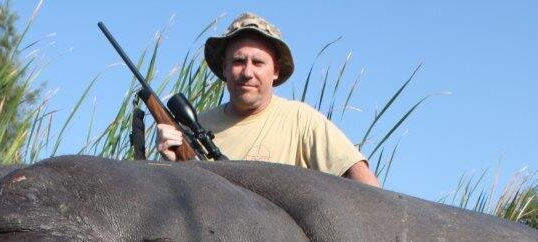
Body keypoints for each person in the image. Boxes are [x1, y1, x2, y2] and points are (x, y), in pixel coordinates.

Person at [156, 13, 381, 187]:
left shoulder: (301, 120)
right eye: (238, 61)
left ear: (276, 70)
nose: (247, 72)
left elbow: (366, 185)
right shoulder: (194, 128)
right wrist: (171, 166)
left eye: (258, 62)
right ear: (224, 68)